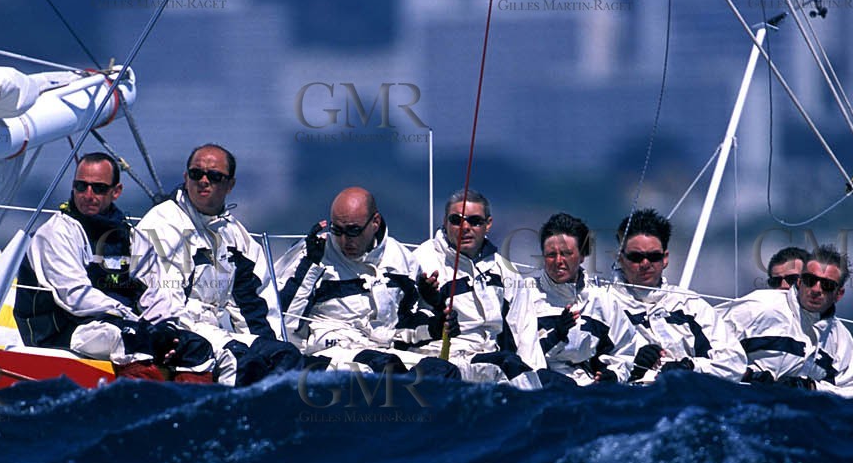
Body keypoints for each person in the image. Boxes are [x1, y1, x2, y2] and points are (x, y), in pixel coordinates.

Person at [15, 152, 213, 374]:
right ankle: (141, 402)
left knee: (194, 346)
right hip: (65, 329)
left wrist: (165, 327)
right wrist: (134, 320)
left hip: (118, 324)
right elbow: (75, 296)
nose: (88, 195)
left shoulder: (128, 235)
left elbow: (155, 288)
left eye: (98, 188)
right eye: (81, 186)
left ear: (116, 191)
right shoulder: (55, 232)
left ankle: (192, 406)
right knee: (134, 339)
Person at [130, 144, 302, 386]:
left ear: (230, 185)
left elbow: (256, 310)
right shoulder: (161, 225)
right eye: (195, 173)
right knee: (239, 357)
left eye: (214, 176)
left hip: (216, 331)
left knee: (285, 356)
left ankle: (270, 419)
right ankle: (230, 418)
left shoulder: (236, 237)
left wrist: (268, 346)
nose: (203, 181)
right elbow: (162, 303)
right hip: (177, 328)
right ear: (185, 178)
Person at [274, 186, 457, 378]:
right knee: (384, 367)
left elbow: (400, 327)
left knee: (443, 371)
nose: (345, 240)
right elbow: (284, 321)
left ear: (375, 222)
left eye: (353, 231)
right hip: (330, 353)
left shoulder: (402, 260)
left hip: (385, 351)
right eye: (337, 230)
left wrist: (435, 323)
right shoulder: (312, 253)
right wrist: (310, 266)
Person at [405, 189, 545, 385]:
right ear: (445, 222)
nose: (465, 227)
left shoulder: (506, 271)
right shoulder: (420, 261)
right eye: (456, 220)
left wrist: (536, 375)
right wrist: (427, 300)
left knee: (553, 381)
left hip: (486, 359)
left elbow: (524, 330)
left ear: (488, 224)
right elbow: (401, 325)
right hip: (436, 359)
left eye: (475, 221)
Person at [603, 208, 745, 383]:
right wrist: (633, 364)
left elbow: (735, 363)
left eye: (654, 256)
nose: (645, 264)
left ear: (665, 259)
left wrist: (689, 367)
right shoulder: (602, 303)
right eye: (636, 257)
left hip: (686, 398)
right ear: (621, 259)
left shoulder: (690, 304)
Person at [721, 245, 853, 396]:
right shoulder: (760, 307)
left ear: (839, 294)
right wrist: (747, 374)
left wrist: (809, 387)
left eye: (827, 285)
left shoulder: (842, 341)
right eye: (810, 280)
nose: (816, 289)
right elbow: (706, 338)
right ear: (799, 282)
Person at [521, 211, 644, 384]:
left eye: (566, 253)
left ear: (582, 255)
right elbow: (517, 353)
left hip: (586, 392)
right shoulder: (523, 295)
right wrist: (556, 335)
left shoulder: (603, 301)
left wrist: (613, 375)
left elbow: (625, 350)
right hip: (537, 387)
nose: (558, 261)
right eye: (551, 255)